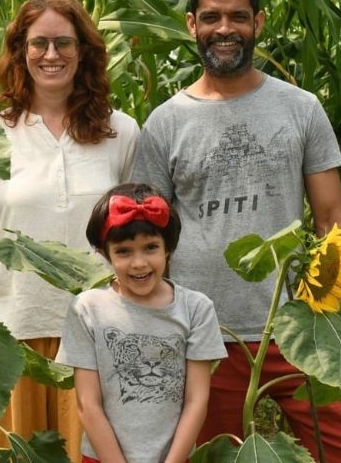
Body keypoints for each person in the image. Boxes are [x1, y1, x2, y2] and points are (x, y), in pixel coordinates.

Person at [131, 0, 341, 462]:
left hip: (295, 325)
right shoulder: (166, 122)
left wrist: (326, 303)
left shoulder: (299, 108)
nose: (224, 29)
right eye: (211, 17)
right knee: (210, 457)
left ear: (259, 23)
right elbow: (150, 233)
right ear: (191, 24)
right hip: (204, 331)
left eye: (237, 17)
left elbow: (332, 213)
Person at [0, 0, 139, 462]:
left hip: (95, 334)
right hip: (7, 335)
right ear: (20, 52)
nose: (51, 55)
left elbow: (138, 235)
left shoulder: (121, 133)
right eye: (38, 44)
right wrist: (12, 300)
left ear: (85, 51)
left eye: (64, 43)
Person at [56, 183, 227, 463]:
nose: (139, 263)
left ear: (168, 248)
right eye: (123, 251)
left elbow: (197, 400)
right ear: (103, 252)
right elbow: (88, 404)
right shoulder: (87, 309)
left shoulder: (196, 309)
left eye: (150, 248)